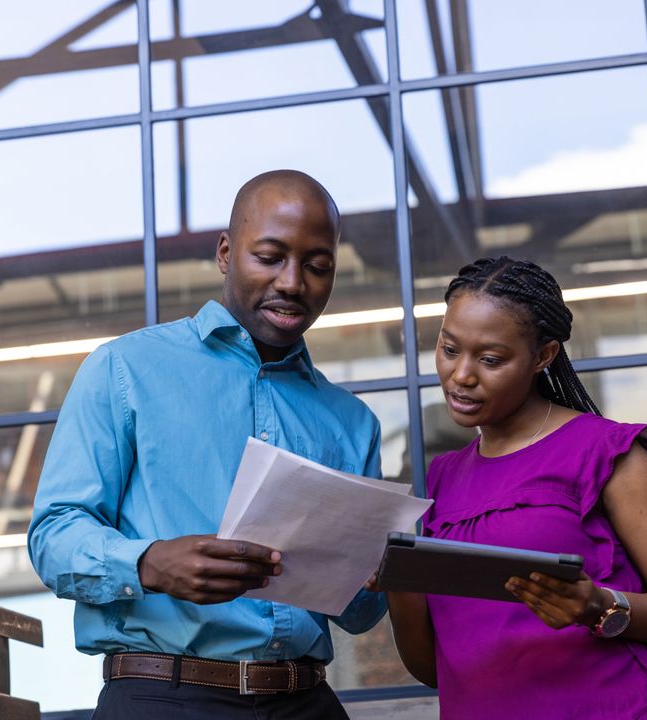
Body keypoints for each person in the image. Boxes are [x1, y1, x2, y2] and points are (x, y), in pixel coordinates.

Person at [28, 170, 386, 719]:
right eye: (269, 257)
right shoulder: (125, 369)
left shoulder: (352, 423)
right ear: (225, 252)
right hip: (162, 698)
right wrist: (149, 563)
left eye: (317, 266)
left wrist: (379, 573)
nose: (293, 282)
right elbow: (53, 536)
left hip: (307, 702)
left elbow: (360, 613)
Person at [384, 257, 647, 719]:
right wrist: (397, 580)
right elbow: (436, 670)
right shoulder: (443, 477)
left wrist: (600, 605)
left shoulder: (608, 453)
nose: (461, 375)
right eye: (448, 349)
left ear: (543, 356)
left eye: (490, 359)